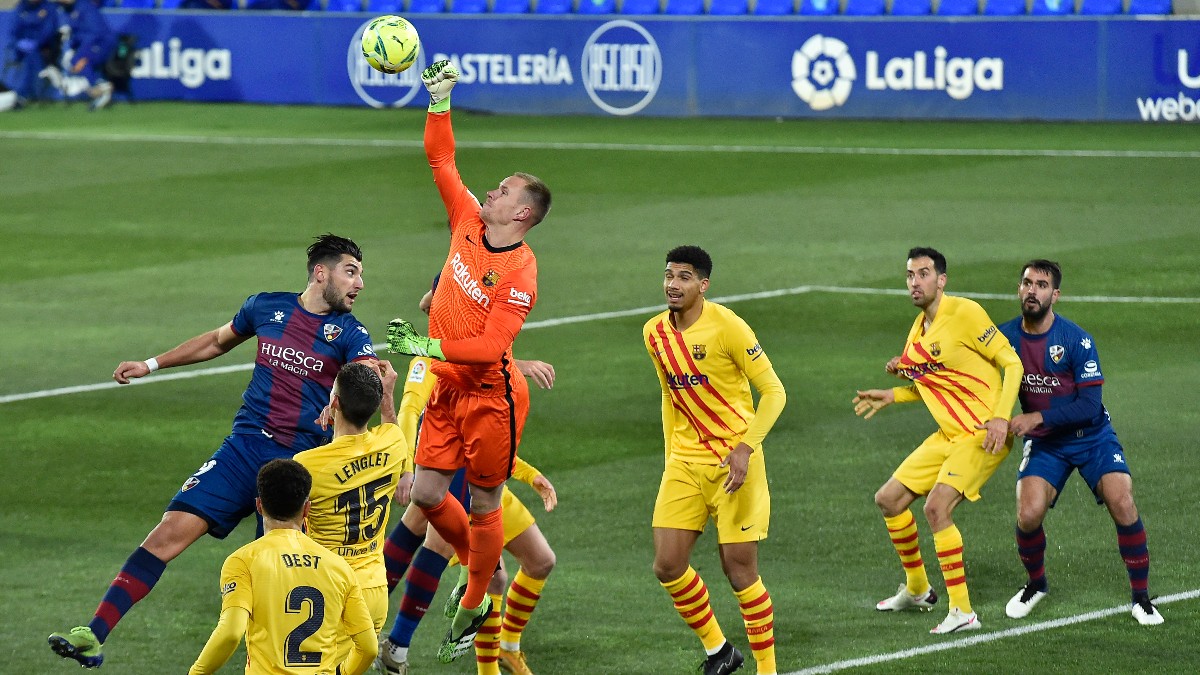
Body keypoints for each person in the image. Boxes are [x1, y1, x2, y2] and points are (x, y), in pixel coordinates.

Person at [49, 234, 378, 668]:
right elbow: (217, 341)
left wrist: (347, 394)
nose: (360, 283)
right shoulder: (265, 307)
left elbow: (368, 379)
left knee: (280, 585)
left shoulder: (351, 334)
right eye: (351, 272)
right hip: (242, 450)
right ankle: (94, 633)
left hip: (295, 468)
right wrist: (151, 364)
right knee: (167, 532)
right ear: (321, 273)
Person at [384, 58, 552, 662]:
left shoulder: (521, 271)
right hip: (448, 392)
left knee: (483, 504)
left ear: (522, 214)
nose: (491, 191)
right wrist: (439, 100)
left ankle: (477, 591)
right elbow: (441, 159)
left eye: (503, 190)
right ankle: (476, 575)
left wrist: (423, 346)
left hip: (492, 398)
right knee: (428, 493)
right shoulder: (465, 221)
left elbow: (488, 349)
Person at [378, 285, 558, 675]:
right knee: (446, 544)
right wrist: (405, 467)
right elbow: (411, 410)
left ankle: (501, 647)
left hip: (487, 480)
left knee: (537, 562)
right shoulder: (431, 355)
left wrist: (528, 474)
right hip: (452, 471)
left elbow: (492, 432)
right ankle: (390, 640)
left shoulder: (485, 347)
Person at [853, 246, 1023, 635]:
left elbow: (1010, 362)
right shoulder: (918, 328)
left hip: (981, 434)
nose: (915, 282)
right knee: (889, 499)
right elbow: (931, 380)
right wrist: (893, 392)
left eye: (924, 274)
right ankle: (917, 589)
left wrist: (1001, 417)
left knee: (935, 508)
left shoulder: (965, 313)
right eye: (910, 275)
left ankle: (962, 611)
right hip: (948, 435)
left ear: (941, 280)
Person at [644, 245, 787, 675]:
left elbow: (775, 393)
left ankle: (768, 669)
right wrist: (671, 456)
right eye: (669, 275)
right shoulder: (654, 333)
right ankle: (720, 652)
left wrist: (745, 449)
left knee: (738, 568)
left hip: (734, 463)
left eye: (684, 277)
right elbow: (670, 396)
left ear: (703, 285)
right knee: (667, 565)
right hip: (685, 464)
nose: (673, 284)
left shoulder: (729, 328)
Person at [997, 260, 1163, 626]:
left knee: (1122, 499)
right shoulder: (1004, 337)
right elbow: (966, 373)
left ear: (1054, 295)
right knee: (1028, 515)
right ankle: (1036, 585)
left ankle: (1141, 598)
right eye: (1026, 283)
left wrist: (1035, 417)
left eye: (1041, 285)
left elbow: (1089, 406)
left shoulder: (1076, 339)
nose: (1031, 290)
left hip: (1092, 437)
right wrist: (914, 372)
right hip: (1046, 444)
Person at [188, 459, 378, 675]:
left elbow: (231, 633)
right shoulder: (339, 567)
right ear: (307, 509)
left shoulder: (243, 561)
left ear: (259, 506)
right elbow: (369, 647)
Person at [293, 359, 411, 666]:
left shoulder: (306, 465)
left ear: (333, 404)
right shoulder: (394, 443)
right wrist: (387, 399)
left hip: (332, 592)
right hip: (374, 590)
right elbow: (391, 426)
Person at [53, 0, 115, 110]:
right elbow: (77, 33)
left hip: (102, 42)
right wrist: (72, 42)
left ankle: (101, 89)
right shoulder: (65, 10)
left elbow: (95, 33)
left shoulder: (85, 7)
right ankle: (101, 88)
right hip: (90, 43)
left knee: (79, 61)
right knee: (74, 61)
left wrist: (82, 54)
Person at [4, 0, 62, 106]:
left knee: (32, 57)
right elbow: (13, 31)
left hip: (44, 49)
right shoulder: (21, 7)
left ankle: (24, 95)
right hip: (22, 50)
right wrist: (18, 43)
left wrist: (36, 43)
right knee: (26, 56)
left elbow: (49, 31)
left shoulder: (48, 7)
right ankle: (18, 94)